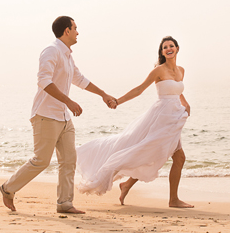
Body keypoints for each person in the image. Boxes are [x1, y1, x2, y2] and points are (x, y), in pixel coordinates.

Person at [0, 16, 117, 214]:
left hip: (64, 117)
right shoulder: (51, 51)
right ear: (66, 31)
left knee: (69, 160)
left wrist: (103, 94)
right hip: (46, 115)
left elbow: (79, 79)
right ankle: (7, 188)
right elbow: (43, 81)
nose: (78, 32)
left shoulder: (68, 55)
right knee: (41, 161)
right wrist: (68, 101)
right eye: (75, 28)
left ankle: (64, 203)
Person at [76, 36, 193, 208]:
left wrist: (186, 103)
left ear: (177, 48)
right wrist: (118, 101)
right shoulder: (158, 71)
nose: (168, 49)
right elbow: (139, 89)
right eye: (165, 47)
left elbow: (176, 90)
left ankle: (128, 185)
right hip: (161, 117)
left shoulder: (181, 70)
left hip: (175, 117)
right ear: (162, 52)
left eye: (171, 46)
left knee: (159, 154)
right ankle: (173, 200)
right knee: (160, 153)